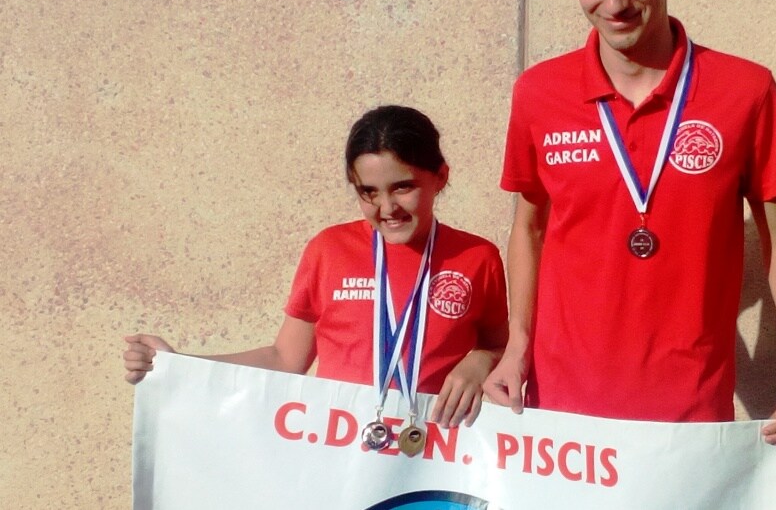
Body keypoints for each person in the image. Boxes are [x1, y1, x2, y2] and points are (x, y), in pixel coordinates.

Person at [483, 0, 776, 448]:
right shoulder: (538, 93)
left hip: (691, 417)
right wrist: (517, 347)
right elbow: (529, 226)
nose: (613, 3)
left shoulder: (745, 90)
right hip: (561, 414)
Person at [124, 105, 509, 430]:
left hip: (433, 454)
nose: (387, 208)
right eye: (368, 192)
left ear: (440, 177)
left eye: (402, 187)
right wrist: (177, 364)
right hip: (336, 453)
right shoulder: (329, 250)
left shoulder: (477, 257)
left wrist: (480, 360)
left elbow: (502, 346)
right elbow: (284, 359)